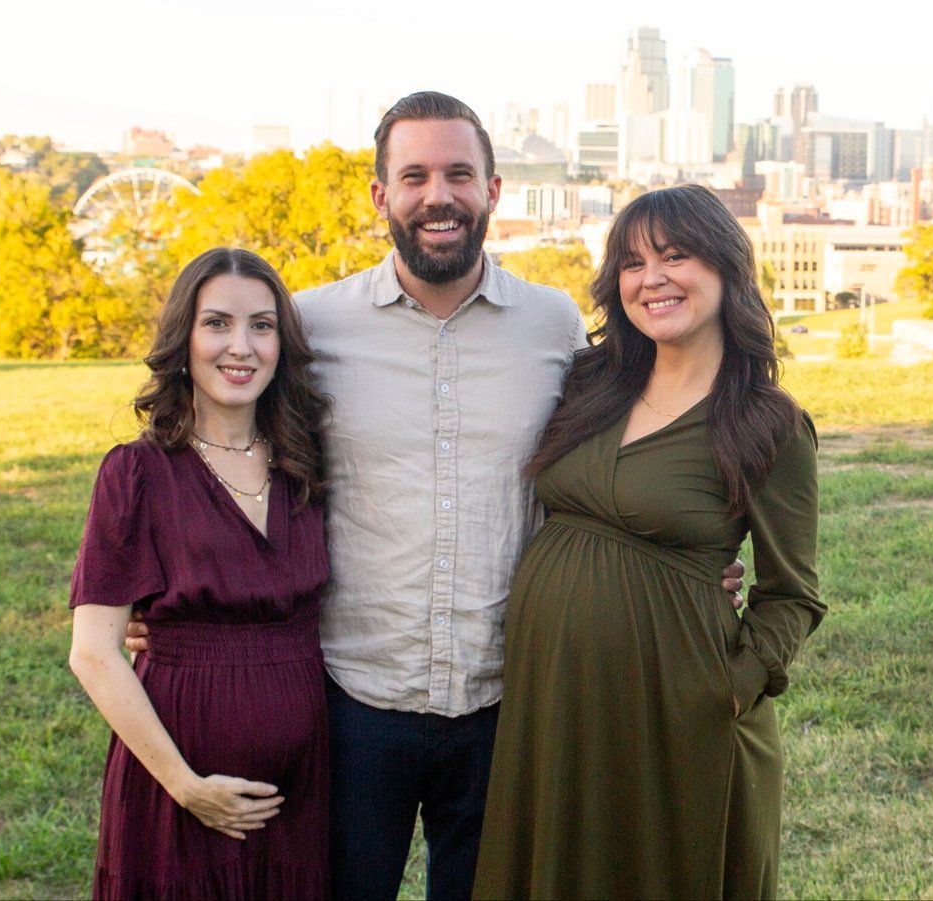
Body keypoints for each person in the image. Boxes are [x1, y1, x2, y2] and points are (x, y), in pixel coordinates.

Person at [128, 93, 744, 901]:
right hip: (351, 698)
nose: (437, 195)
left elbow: (632, 437)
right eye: (413, 175)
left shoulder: (553, 326)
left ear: (493, 189)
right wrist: (159, 592)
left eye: (459, 173)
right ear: (381, 196)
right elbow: (213, 443)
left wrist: (675, 564)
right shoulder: (310, 328)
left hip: (511, 698)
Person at [472, 184, 826, 900]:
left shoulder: (768, 425)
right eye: (632, 263)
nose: (652, 278)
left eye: (676, 255)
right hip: (553, 698)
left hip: (679, 711)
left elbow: (792, 592)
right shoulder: (588, 382)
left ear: (726, 268)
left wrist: (725, 687)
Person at [68, 247, 331, 899]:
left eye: (261, 326)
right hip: (177, 788)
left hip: (300, 790)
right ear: (182, 337)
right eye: (217, 323)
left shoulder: (309, 465)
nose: (240, 346)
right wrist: (187, 784)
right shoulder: (137, 473)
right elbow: (94, 653)